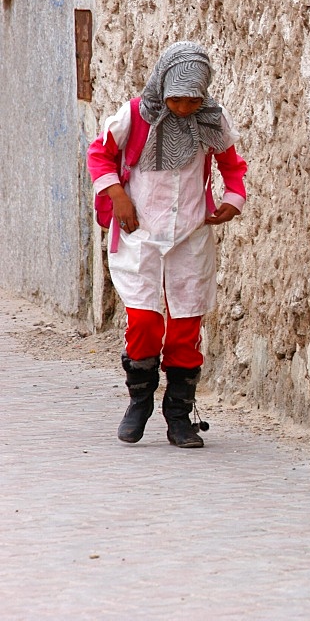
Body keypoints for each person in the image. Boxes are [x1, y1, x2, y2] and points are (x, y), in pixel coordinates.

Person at [87, 41, 248, 448]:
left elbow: (231, 163)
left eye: (192, 100)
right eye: (176, 99)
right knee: (144, 321)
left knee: (184, 326)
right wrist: (117, 195)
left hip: (190, 237)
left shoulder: (211, 118)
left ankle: (179, 415)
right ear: (163, 88)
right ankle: (139, 399)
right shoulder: (136, 114)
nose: (182, 108)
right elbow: (99, 154)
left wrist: (232, 200)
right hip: (141, 236)